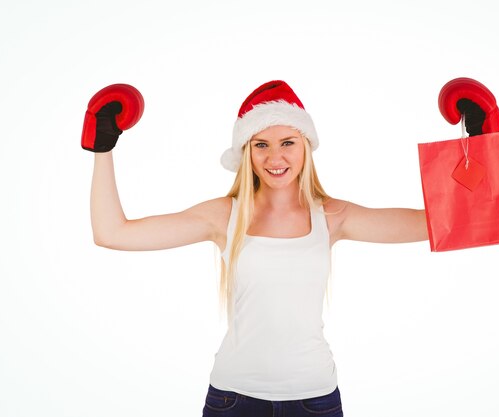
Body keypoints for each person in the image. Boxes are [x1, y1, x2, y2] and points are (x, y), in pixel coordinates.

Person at [88, 80, 429, 416]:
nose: (275, 156)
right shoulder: (224, 215)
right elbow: (112, 233)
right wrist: (103, 146)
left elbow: (438, 223)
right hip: (234, 399)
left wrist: (478, 141)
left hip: (315, 399)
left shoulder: (332, 215)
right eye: (261, 145)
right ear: (246, 152)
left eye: (288, 143)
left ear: (306, 145)